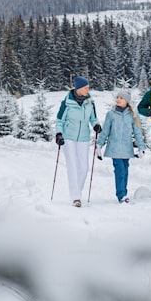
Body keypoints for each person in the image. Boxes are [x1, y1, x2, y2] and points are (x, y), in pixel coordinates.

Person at [55, 76, 101, 207]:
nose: (88, 89)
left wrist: (96, 125)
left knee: (84, 167)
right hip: (68, 136)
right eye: (86, 87)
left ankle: (77, 192)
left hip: (84, 138)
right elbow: (59, 120)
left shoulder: (90, 102)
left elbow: (93, 118)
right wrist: (59, 134)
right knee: (73, 166)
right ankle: (76, 197)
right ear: (79, 88)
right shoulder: (67, 102)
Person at [96, 90, 146, 203]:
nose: (118, 99)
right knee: (120, 171)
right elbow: (105, 131)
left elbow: (137, 132)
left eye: (121, 98)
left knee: (125, 171)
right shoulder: (111, 114)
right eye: (117, 97)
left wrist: (141, 148)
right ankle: (121, 195)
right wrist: (99, 145)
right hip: (114, 148)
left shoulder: (133, 115)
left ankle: (123, 192)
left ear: (127, 101)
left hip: (126, 148)